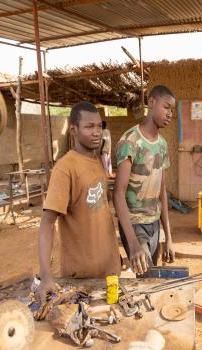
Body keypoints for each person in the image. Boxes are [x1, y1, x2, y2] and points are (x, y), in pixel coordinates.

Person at [37, 101, 121, 302]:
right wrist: (46, 275)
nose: (97, 132)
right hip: (82, 280)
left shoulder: (96, 162)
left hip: (109, 271)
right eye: (89, 126)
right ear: (74, 130)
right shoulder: (65, 168)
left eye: (100, 126)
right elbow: (47, 223)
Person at [114, 85, 176, 275]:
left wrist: (168, 238)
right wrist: (133, 243)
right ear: (151, 102)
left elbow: (162, 191)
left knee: (152, 277)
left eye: (172, 110)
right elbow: (118, 193)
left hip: (154, 224)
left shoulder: (162, 144)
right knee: (147, 278)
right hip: (134, 225)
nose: (169, 114)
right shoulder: (130, 141)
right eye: (166, 107)